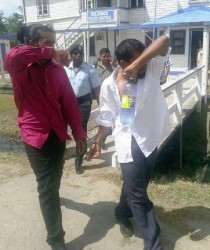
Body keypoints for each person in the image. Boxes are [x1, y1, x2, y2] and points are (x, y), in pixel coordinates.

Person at [4, 24, 87, 250]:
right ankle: (56, 239)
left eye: (54, 42)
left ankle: (50, 199)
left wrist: (79, 133)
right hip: (34, 135)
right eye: (46, 42)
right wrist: (51, 52)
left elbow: (69, 102)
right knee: (48, 186)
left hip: (58, 133)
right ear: (33, 44)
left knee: (54, 181)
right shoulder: (21, 67)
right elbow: (12, 55)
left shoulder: (57, 70)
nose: (52, 47)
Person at [88, 35, 170, 250]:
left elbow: (164, 40)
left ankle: (122, 212)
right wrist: (98, 141)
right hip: (126, 140)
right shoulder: (108, 84)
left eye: (143, 57)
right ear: (122, 62)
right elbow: (106, 115)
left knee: (138, 185)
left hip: (148, 138)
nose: (144, 61)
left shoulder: (150, 69)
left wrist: (137, 64)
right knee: (137, 194)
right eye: (136, 58)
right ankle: (153, 244)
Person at [64, 44, 101, 174]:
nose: (78, 55)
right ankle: (76, 150)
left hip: (83, 102)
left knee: (80, 128)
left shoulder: (90, 69)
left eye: (80, 53)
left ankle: (79, 160)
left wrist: (101, 104)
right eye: (75, 53)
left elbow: (96, 89)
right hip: (67, 102)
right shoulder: (64, 69)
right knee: (64, 128)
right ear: (71, 54)